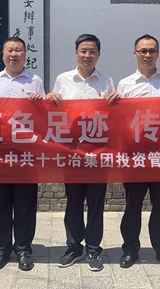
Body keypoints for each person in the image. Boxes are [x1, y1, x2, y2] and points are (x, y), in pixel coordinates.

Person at [46, 34, 119, 272]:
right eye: (83, 51)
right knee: (74, 202)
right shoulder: (63, 79)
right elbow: (53, 112)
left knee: (96, 203)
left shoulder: (107, 81)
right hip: (72, 153)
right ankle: (74, 247)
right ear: (76, 53)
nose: (88, 55)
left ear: (99, 55)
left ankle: (94, 249)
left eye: (92, 51)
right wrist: (50, 98)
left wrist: (118, 102)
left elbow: (114, 116)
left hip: (98, 154)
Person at [0, 37, 45, 271]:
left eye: (18, 50)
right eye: (10, 50)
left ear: (25, 55)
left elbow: (45, 117)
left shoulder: (35, 81)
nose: (14, 54)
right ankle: (1, 249)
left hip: (26, 153)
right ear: (3, 54)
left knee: (26, 204)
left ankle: (24, 249)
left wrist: (40, 103)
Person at [117, 34, 160, 271]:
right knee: (133, 205)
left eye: (152, 50)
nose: (147, 55)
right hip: (135, 156)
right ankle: (130, 249)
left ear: (158, 54)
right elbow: (119, 120)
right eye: (143, 51)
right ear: (135, 54)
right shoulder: (125, 84)